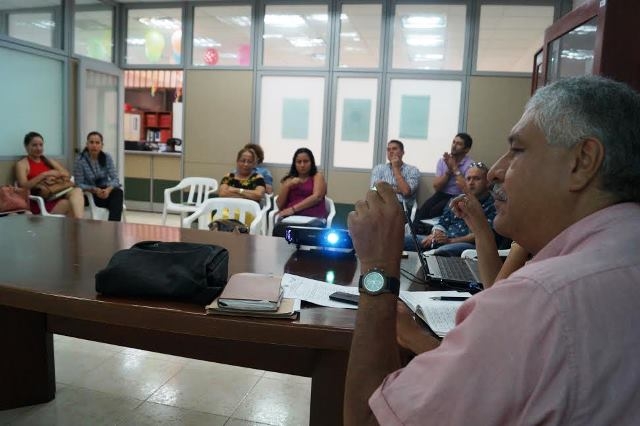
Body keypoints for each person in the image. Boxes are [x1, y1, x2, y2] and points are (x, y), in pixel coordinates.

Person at [344, 75, 640, 425]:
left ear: (582, 160)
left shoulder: (538, 300)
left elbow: (368, 419)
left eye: (517, 150)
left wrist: (377, 267)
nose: (496, 172)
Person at [403, 162, 495, 257]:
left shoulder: (493, 204)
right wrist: (435, 235)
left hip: (467, 245)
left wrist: (450, 241)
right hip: (443, 240)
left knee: (442, 251)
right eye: (468, 179)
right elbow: (442, 222)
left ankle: (429, 257)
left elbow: (483, 234)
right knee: (402, 240)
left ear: (487, 182)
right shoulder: (457, 200)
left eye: (476, 178)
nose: (471, 183)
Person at [449, 191, 530, 287]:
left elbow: (498, 293)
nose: (496, 192)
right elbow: (493, 287)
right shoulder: (522, 242)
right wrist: (480, 228)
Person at [411, 133, 474, 233]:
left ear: (466, 149)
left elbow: (467, 188)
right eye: (454, 142)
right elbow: (437, 187)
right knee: (422, 211)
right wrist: (449, 171)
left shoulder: (470, 165)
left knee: (435, 211)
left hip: (458, 196)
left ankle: (432, 235)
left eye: (459, 144)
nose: (454, 145)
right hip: (442, 193)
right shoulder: (442, 161)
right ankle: (414, 234)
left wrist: (454, 168)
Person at [15, 131, 84, 218]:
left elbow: (67, 175)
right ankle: (78, 224)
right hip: (40, 200)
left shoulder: (47, 160)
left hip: (56, 193)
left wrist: (54, 175)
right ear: (26, 146)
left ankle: (79, 223)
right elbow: (23, 186)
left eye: (41, 145)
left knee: (77, 191)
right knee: (71, 205)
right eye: (34, 145)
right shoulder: (22, 164)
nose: (39, 148)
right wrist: (44, 175)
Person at [272, 148, 327, 237]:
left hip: (313, 218)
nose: (302, 165)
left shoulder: (317, 176)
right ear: (294, 164)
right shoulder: (289, 179)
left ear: (311, 162)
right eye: (299, 162)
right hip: (291, 218)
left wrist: (293, 209)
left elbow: (317, 197)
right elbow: (279, 205)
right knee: (279, 229)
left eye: (306, 161)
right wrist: (287, 186)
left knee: (306, 233)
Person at [73, 131, 124, 221]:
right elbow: (78, 184)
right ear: (87, 144)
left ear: (102, 145)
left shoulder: (107, 157)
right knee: (115, 204)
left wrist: (108, 189)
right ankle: (113, 225)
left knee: (118, 193)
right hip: (90, 194)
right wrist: (94, 189)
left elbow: (115, 179)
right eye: (91, 142)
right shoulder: (80, 160)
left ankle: (113, 226)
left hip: (105, 191)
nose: (94, 145)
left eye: (97, 143)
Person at [370, 140, 420, 209]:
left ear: (402, 152)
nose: (391, 151)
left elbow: (406, 191)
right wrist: (397, 190)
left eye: (394, 149)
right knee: (359, 206)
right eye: (388, 150)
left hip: (402, 206)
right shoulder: (379, 168)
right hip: (380, 204)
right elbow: (373, 189)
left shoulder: (412, 170)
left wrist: (395, 168)